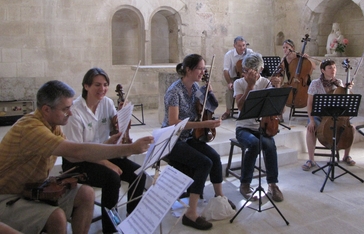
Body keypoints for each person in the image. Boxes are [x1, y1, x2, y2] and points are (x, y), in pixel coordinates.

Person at [0, 80, 153, 234]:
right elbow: (77, 152)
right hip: (8, 195)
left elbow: (75, 155)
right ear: (46, 109)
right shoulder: (31, 128)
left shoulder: (52, 125)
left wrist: (110, 145)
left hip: (33, 188)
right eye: (66, 109)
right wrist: (129, 148)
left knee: (86, 194)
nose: (71, 113)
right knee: (56, 217)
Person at [62, 67, 147, 234]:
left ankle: (132, 217)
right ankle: (110, 228)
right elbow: (79, 153)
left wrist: (122, 125)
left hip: (104, 151)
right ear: (86, 86)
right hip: (79, 161)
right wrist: (108, 163)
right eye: (97, 85)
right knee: (112, 178)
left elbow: (114, 131)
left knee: (139, 175)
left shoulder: (107, 103)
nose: (102, 89)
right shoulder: (75, 111)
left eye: (105, 84)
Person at [162, 54, 234, 231]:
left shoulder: (195, 87)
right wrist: (205, 124)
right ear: (188, 70)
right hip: (171, 140)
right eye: (200, 68)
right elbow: (174, 122)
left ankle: (219, 198)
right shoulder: (174, 91)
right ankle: (191, 214)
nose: (203, 72)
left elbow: (208, 107)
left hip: (188, 137)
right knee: (204, 163)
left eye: (204, 68)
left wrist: (210, 94)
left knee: (215, 157)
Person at [234, 52, 284, 202]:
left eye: (250, 70)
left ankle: (272, 184)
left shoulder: (266, 83)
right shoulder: (239, 83)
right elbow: (241, 108)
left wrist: (278, 88)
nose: (246, 73)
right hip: (244, 127)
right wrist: (250, 86)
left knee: (269, 144)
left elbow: (280, 111)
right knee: (254, 144)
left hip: (263, 126)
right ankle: (245, 184)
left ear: (259, 70)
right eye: (245, 70)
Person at [302, 59, 356, 171]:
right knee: (310, 128)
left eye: (334, 67)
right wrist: (311, 120)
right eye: (330, 68)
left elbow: (344, 101)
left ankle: (346, 156)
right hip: (319, 115)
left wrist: (347, 90)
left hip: (335, 116)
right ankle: (311, 160)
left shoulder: (339, 83)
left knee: (351, 128)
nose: (333, 70)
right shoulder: (315, 83)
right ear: (323, 70)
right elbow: (309, 103)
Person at [222, 36, 253, 120]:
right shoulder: (229, 55)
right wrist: (229, 82)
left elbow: (253, 66)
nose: (242, 48)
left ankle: (251, 110)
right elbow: (226, 70)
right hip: (233, 77)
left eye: (244, 45)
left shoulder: (249, 52)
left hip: (246, 77)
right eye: (239, 46)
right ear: (234, 45)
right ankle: (228, 111)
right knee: (229, 90)